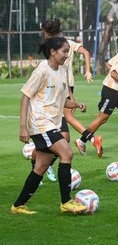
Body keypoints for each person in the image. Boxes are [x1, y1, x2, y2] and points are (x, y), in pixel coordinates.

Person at [12, 37, 87, 214]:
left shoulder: (62, 71)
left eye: (68, 51)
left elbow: (62, 101)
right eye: (64, 51)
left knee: (40, 167)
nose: (67, 55)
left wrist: (76, 104)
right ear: (53, 52)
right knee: (67, 152)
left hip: (52, 122)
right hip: (40, 123)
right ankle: (66, 201)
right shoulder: (42, 71)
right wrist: (23, 127)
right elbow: (25, 97)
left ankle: (18, 205)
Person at [40, 19, 100, 177]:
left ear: (46, 32)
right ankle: (89, 139)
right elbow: (86, 53)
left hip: (61, 87)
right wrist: (87, 71)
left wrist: (71, 96)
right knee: (59, 130)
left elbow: (63, 71)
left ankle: (44, 164)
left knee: (63, 132)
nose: (65, 54)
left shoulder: (57, 45)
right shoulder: (61, 44)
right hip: (57, 88)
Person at [76, 34, 118, 156]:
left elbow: (108, 64)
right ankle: (81, 141)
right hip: (111, 91)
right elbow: (113, 74)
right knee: (102, 119)